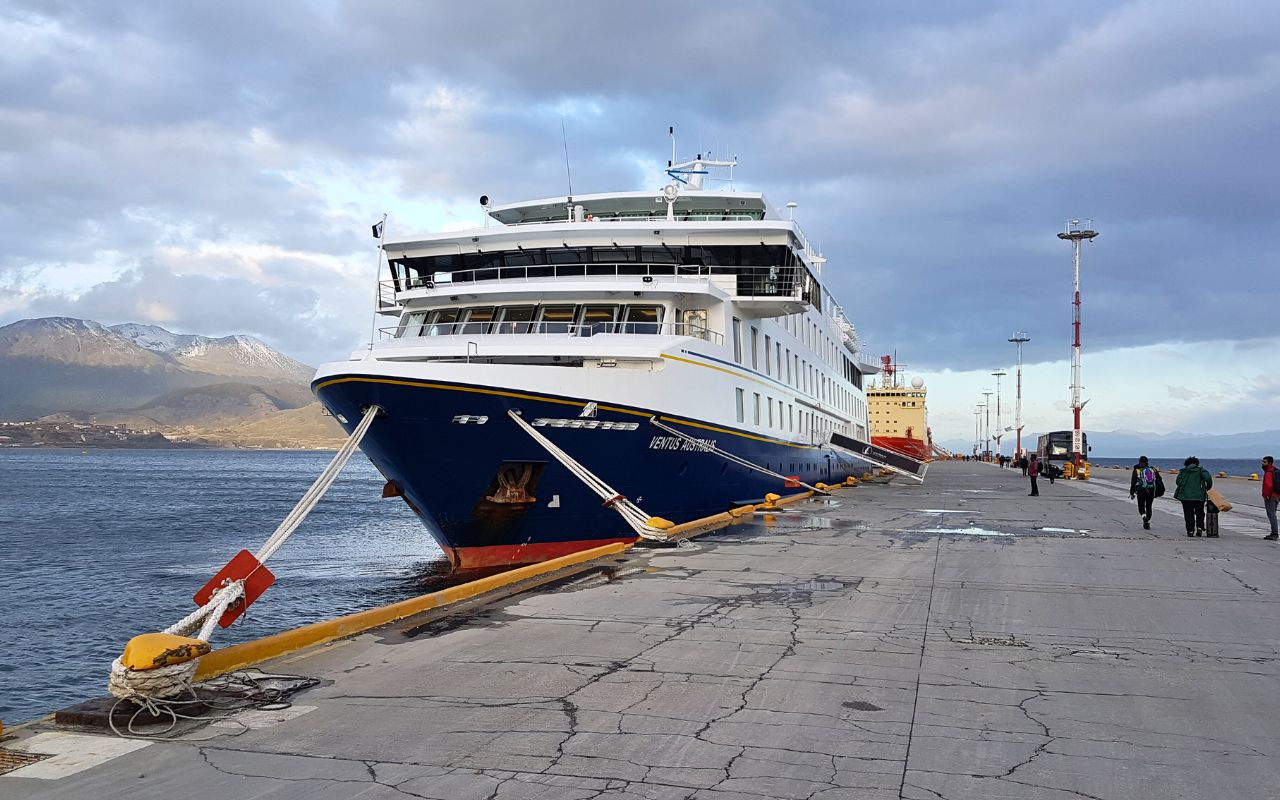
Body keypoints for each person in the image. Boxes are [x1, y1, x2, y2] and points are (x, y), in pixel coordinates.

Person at [1174, 456, 1213, 537]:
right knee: (1200, 512)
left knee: (1188, 514)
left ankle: (1190, 531)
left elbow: (1178, 482)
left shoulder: (1184, 471)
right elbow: (1208, 478)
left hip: (1185, 496)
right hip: (1199, 496)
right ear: (1197, 463)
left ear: (1186, 464)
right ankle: (1199, 527)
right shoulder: (1201, 470)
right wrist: (1208, 487)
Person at [1128, 456, 1162, 530]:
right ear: (1147, 462)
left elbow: (1133, 481)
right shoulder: (1152, 469)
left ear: (1139, 462)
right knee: (1149, 505)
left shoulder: (1137, 470)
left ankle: (1144, 517)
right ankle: (1148, 519)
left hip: (1140, 490)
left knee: (1141, 505)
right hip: (1151, 490)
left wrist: (1132, 492)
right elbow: (1159, 480)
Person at [1262, 455, 1279, 541]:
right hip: (1277, 496)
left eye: (1264, 462)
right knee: (1273, 514)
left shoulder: (1269, 472)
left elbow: (1268, 485)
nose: (1262, 463)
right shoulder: (1275, 471)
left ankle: (1274, 533)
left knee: (1271, 515)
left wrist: (1266, 495)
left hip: (1271, 496)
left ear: (1269, 463)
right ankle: (1274, 532)